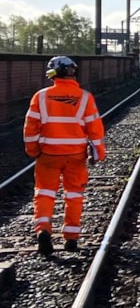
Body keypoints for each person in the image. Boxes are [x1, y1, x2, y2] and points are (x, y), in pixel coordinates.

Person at [23, 56, 106, 255]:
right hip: (75, 156)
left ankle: (43, 229)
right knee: (74, 195)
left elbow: (30, 128)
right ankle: (71, 238)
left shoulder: (40, 97)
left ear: (53, 74)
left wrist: (33, 150)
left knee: (44, 193)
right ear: (72, 72)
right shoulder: (85, 97)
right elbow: (95, 128)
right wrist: (98, 153)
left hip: (48, 155)